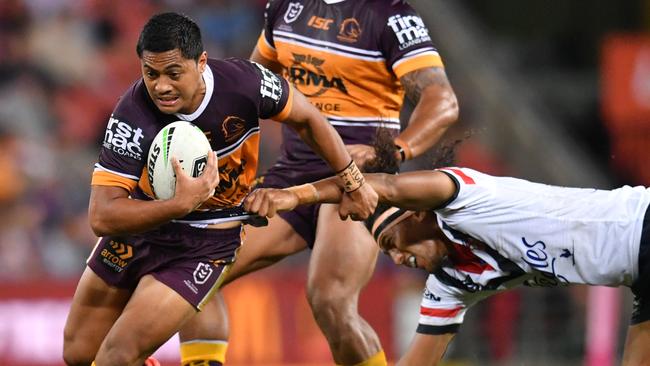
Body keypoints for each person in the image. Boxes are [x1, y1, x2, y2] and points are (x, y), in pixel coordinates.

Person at [61, 11, 378, 366]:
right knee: (78, 354)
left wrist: (352, 179)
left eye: (173, 73)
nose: (161, 86)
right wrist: (179, 205)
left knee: (117, 356)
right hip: (138, 233)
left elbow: (308, 117)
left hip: (204, 245)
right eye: (150, 74)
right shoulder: (131, 113)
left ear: (201, 63)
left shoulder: (244, 83)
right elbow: (101, 216)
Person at [192, 1, 459, 364]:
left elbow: (442, 99)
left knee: (331, 300)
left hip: (357, 182)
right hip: (292, 175)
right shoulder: (285, 8)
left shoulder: (390, 15)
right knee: (193, 272)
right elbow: (251, 86)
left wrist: (396, 151)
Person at [242, 162, 650, 365]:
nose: (399, 259)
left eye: (393, 243)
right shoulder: (450, 283)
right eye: (388, 254)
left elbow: (389, 185)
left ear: (416, 213)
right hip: (640, 278)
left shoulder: (466, 201)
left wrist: (296, 197)